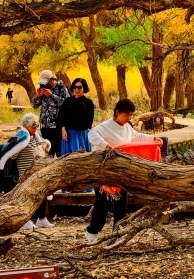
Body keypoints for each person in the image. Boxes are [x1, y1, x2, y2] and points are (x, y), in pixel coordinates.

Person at [84, 98, 162, 242]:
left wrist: (153, 138)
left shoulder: (127, 127)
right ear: (117, 112)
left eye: (131, 115)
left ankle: (119, 231)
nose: (128, 118)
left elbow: (137, 137)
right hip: (104, 170)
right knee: (103, 202)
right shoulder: (105, 126)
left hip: (122, 169)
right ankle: (92, 231)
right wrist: (105, 145)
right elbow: (91, 135)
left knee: (121, 201)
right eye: (126, 115)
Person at [0, 113, 53, 230]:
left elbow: (44, 147)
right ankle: (26, 220)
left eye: (37, 126)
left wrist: (46, 144)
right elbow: (12, 155)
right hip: (25, 172)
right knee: (26, 196)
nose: (36, 128)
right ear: (27, 126)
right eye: (33, 126)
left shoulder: (36, 137)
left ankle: (42, 218)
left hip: (37, 171)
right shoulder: (22, 137)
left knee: (42, 192)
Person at [31, 69, 68, 157]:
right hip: (45, 127)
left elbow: (66, 104)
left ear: (52, 80)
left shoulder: (61, 87)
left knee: (60, 154)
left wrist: (51, 95)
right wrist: (38, 97)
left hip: (57, 127)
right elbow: (34, 105)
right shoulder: (43, 88)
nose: (44, 85)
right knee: (47, 154)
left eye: (46, 82)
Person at [57, 77, 95, 155]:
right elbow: (62, 117)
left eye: (79, 87)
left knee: (81, 158)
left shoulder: (88, 102)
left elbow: (89, 120)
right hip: (69, 133)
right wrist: (63, 130)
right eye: (75, 87)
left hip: (82, 133)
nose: (77, 89)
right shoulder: (68, 101)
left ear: (84, 88)